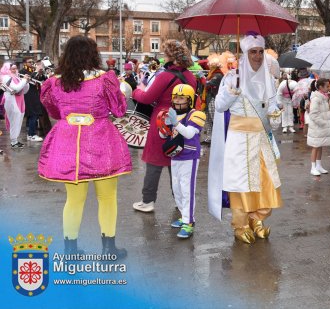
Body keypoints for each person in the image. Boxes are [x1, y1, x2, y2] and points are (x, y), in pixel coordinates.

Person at [38, 36, 131, 256]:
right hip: (100, 141)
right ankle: (108, 249)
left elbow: (53, 111)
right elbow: (119, 110)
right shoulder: (105, 79)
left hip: (67, 141)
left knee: (73, 200)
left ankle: (70, 249)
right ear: (93, 53)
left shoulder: (54, 82)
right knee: (107, 198)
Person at [208, 33, 283, 244]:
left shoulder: (268, 79)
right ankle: (240, 226)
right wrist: (233, 90)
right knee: (240, 184)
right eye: (253, 52)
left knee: (265, 181)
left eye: (260, 51)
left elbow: (273, 108)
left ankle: (257, 220)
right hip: (239, 139)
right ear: (245, 53)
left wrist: (275, 114)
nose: (258, 56)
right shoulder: (232, 77)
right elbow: (220, 106)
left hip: (260, 139)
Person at [131, 40, 197, 213]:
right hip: (182, 121)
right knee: (175, 162)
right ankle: (179, 200)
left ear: (171, 56)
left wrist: (137, 89)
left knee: (154, 162)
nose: (162, 56)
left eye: (165, 53)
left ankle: (148, 201)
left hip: (162, 121)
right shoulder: (190, 76)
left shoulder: (165, 76)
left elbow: (145, 98)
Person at [161, 84, 206, 239]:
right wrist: (163, 129)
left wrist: (175, 123)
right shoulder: (172, 113)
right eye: (176, 97)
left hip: (189, 156)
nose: (178, 101)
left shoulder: (197, 114)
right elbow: (166, 136)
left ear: (190, 100)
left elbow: (188, 133)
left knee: (187, 190)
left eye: (182, 98)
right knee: (177, 188)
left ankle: (189, 221)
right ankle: (183, 215)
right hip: (175, 155)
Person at [307, 78, 330, 175]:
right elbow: (313, 115)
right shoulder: (316, 98)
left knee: (320, 146)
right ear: (320, 87)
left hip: (321, 128)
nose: (329, 88)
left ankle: (318, 165)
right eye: (327, 86)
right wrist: (324, 123)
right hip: (317, 128)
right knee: (315, 146)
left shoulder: (324, 97)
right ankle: (313, 167)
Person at [0, 62, 29, 148]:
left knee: (19, 120)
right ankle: (13, 141)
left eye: (16, 68)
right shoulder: (5, 77)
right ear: (7, 69)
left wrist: (26, 82)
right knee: (14, 121)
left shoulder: (17, 77)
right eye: (12, 68)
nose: (15, 70)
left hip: (20, 100)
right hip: (11, 101)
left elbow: (25, 90)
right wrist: (24, 80)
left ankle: (15, 140)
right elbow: (16, 89)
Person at [19, 57, 45, 142]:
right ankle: (32, 134)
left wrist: (41, 73)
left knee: (34, 115)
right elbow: (30, 80)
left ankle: (30, 133)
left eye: (32, 62)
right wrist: (36, 71)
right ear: (24, 63)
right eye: (29, 62)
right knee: (33, 114)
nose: (32, 63)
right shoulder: (22, 72)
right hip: (28, 95)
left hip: (35, 94)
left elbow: (42, 80)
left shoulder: (32, 70)